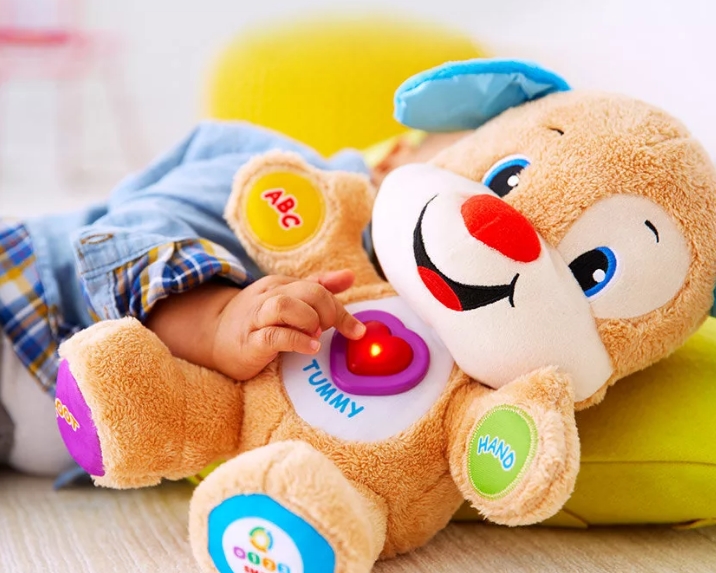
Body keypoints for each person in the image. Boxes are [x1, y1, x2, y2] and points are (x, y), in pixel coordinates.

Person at [0, 120, 467, 479]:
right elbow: (139, 225)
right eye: (465, 181)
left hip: (60, 421)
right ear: (394, 157)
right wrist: (216, 321)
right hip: (27, 301)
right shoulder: (293, 181)